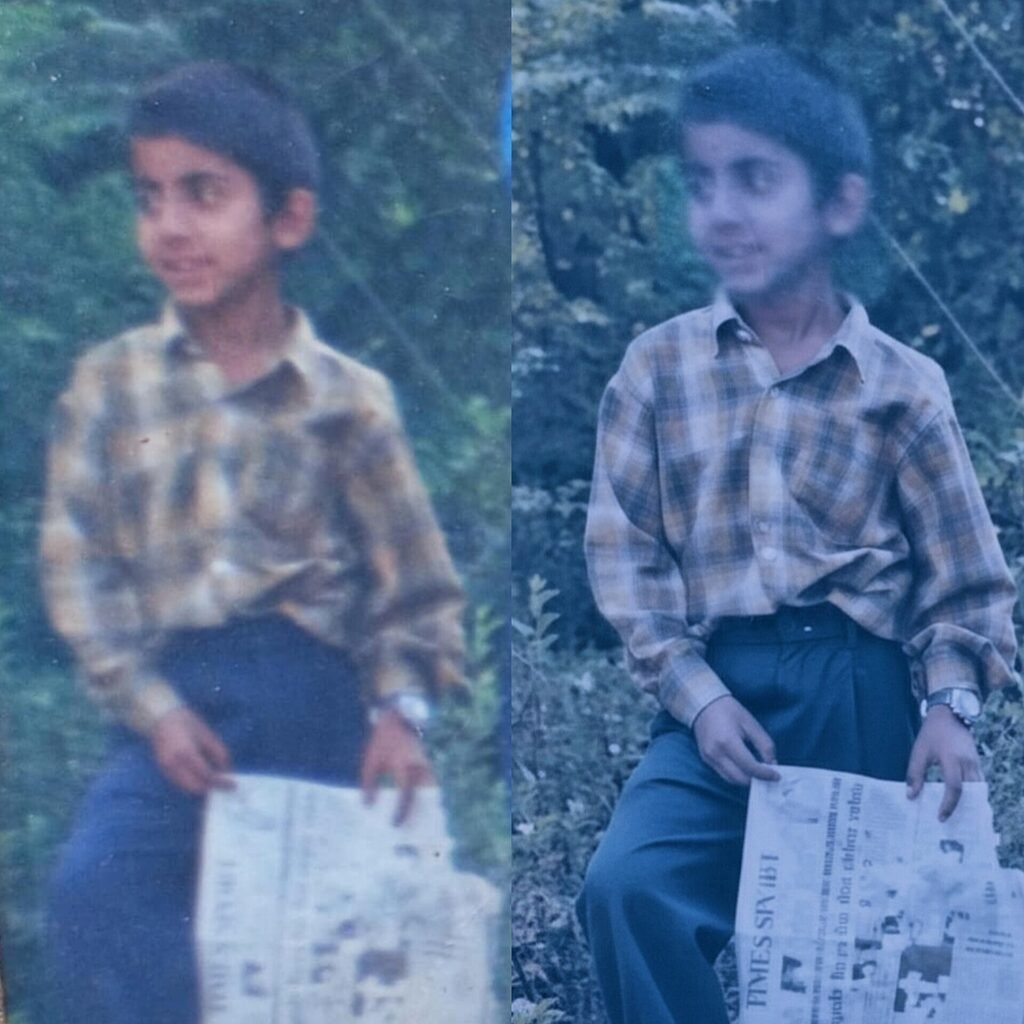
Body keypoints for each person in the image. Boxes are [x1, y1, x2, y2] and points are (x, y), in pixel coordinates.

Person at [578, 45, 1017, 1024]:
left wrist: (949, 704)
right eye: (701, 184)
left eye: (757, 179)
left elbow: (965, 581)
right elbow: (628, 561)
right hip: (720, 697)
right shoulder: (658, 369)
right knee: (627, 886)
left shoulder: (900, 384)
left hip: (861, 692)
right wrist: (696, 698)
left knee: (855, 964)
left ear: (839, 204)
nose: (723, 211)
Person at [40, 61, 465, 1024]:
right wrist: (150, 711)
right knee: (92, 894)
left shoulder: (347, 398)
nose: (173, 227)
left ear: (289, 219)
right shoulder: (110, 388)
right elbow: (81, 572)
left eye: (205, 194)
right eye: (150, 198)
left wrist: (401, 715)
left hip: (318, 705)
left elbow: (414, 584)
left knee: (322, 955)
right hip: (176, 710)